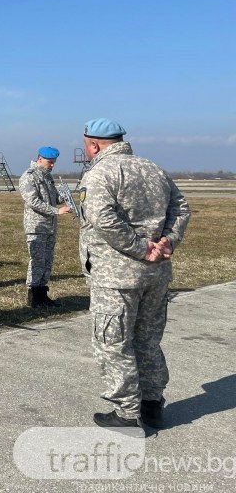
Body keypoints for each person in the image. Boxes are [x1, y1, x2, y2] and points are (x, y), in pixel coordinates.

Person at [79, 119, 190, 431]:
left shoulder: (100, 172)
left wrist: (142, 248)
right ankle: (152, 405)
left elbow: (102, 218)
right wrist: (168, 240)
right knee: (148, 340)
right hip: (155, 276)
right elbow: (181, 210)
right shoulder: (153, 168)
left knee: (113, 343)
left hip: (117, 277)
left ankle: (128, 415)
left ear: (94, 144)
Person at [18, 147, 72, 308]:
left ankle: (42, 293)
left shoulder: (47, 177)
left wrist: (65, 195)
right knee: (37, 260)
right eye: (50, 162)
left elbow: (54, 198)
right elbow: (33, 201)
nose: (52, 166)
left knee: (47, 261)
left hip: (49, 227)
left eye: (54, 163)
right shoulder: (29, 176)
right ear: (40, 159)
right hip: (37, 226)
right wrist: (56, 211)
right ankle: (33, 296)